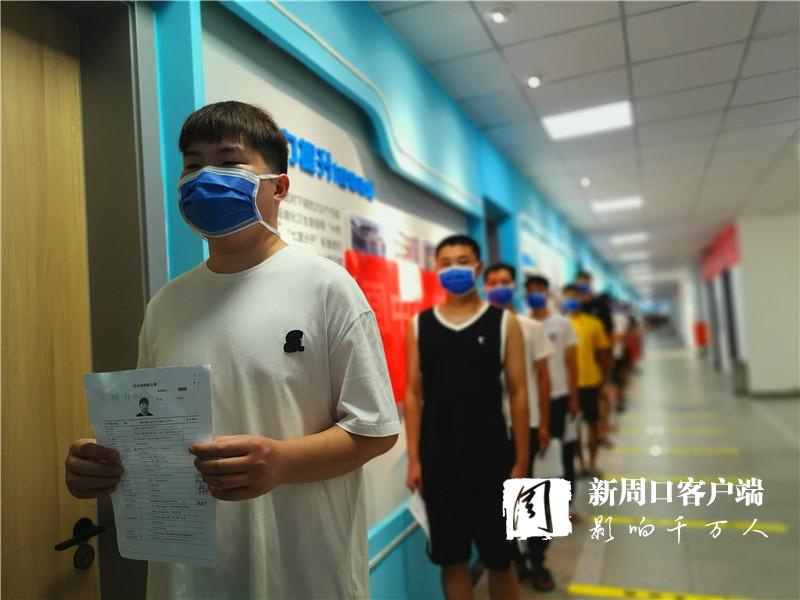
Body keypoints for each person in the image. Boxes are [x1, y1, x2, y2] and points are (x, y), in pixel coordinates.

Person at [64, 101, 400, 599]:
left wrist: (282, 461)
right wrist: (103, 467)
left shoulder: (326, 287)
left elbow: (375, 430)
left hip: (301, 574)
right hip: (187, 577)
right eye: (193, 165)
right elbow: (151, 431)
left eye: (228, 161)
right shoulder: (167, 304)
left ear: (278, 187)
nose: (205, 178)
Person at [405, 236, 530, 600]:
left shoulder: (504, 322)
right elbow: (412, 393)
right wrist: (414, 460)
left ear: (477, 268)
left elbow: (519, 393)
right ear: (436, 269)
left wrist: (522, 460)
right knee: (452, 560)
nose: (454, 269)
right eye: (445, 263)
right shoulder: (419, 324)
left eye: (462, 261)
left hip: (494, 457)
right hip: (439, 459)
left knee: (501, 559)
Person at [483, 264, 555, 592]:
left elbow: (543, 377)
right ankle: (514, 559)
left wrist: (545, 423)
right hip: (492, 426)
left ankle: (539, 560)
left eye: (505, 282)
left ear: (514, 286)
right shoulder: (480, 328)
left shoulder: (530, 328)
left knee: (532, 493)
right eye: (493, 282)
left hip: (529, 422)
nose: (499, 287)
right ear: (484, 286)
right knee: (501, 497)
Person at [525, 275, 579, 520]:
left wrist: (573, 398)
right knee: (536, 455)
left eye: (539, 289)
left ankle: (565, 506)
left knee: (561, 451)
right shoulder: (523, 323)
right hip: (533, 400)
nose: (534, 294)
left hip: (558, 396)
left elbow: (571, 363)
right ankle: (540, 508)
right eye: (530, 290)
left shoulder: (562, 324)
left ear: (547, 293)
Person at [562, 284, 610, 477]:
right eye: (568, 296)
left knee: (592, 423)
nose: (572, 300)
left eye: (576, 296)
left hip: (590, 381)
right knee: (572, 429)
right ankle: (580, 464)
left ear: (583, 298)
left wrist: (604, 379)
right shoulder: (560, 324)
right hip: (567, 385)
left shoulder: (594, 324)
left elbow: (602, 355)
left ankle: (592, 463)